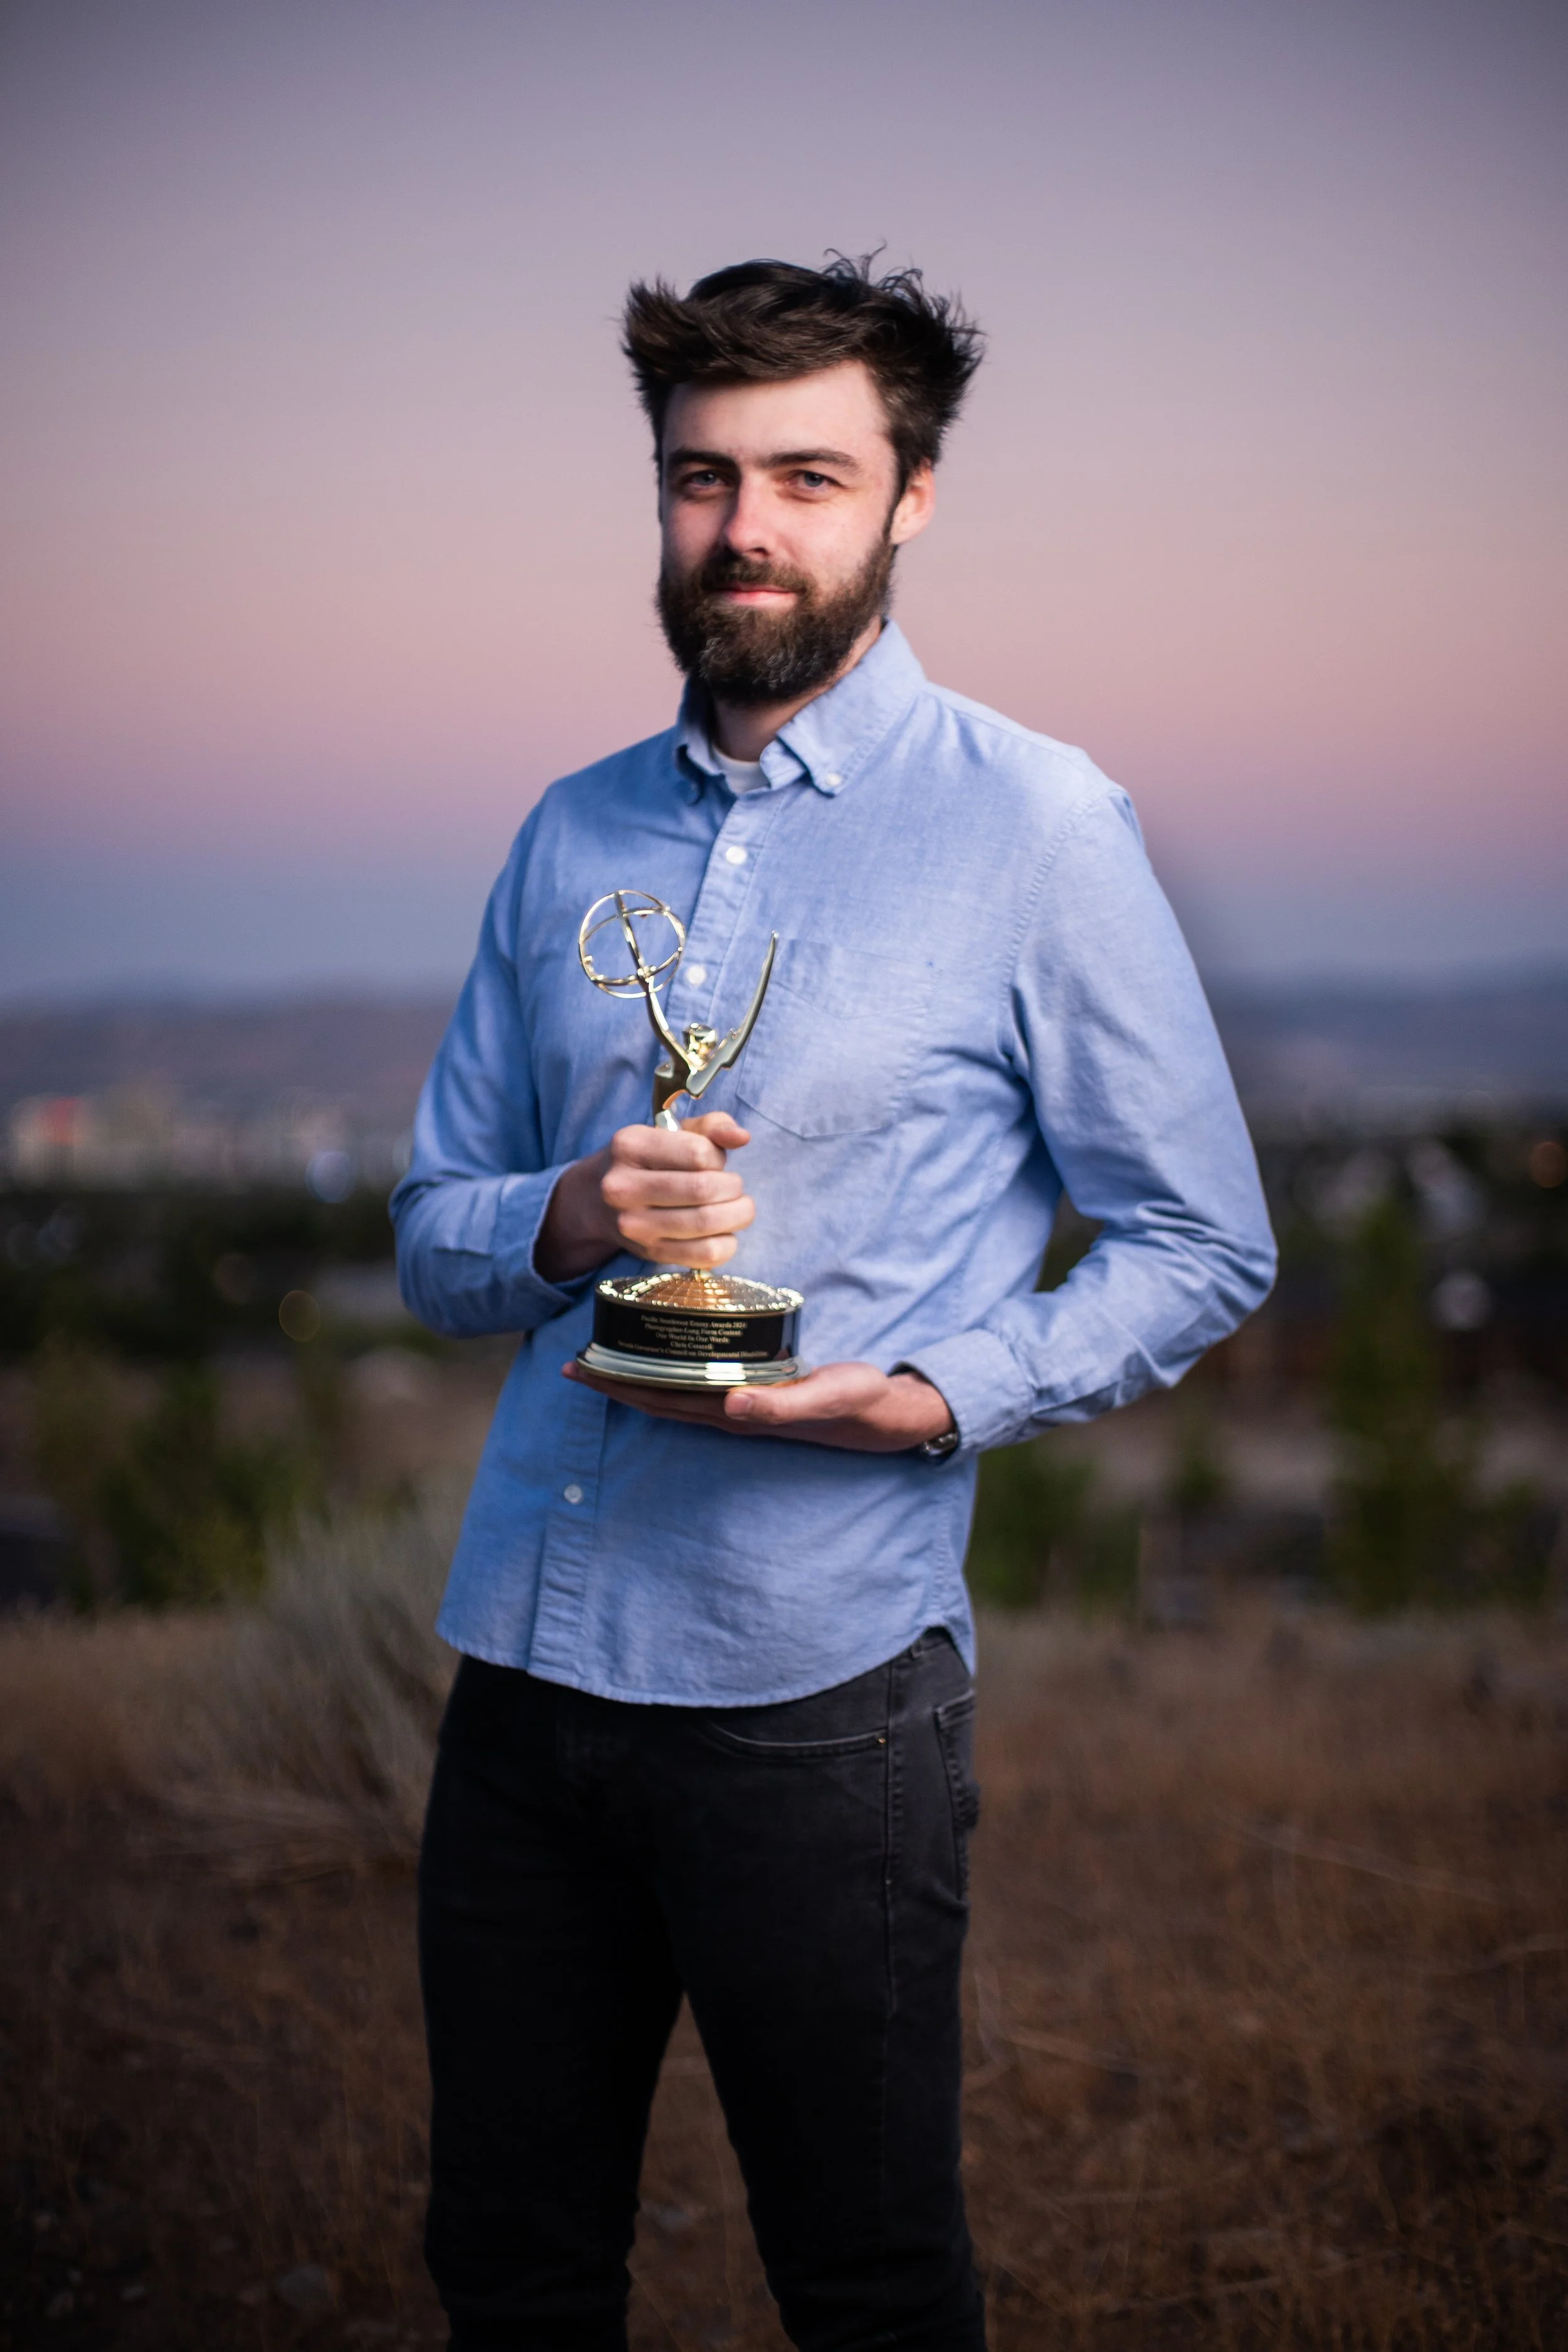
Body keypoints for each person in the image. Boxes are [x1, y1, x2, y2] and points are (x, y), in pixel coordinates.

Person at [391, 254, 1276, 2352]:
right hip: (522, 1680)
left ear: (912, 496)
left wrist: (930, 1395)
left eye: (807, 473)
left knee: (867, 2285)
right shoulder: (566, 831)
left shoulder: (1037, 826)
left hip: (818, 1694)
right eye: (703, 480)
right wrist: (572, 1214)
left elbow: (1202, 1236)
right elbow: (430, 1232)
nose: (748, 529)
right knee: (509, 2272)